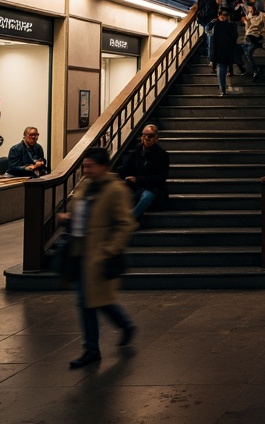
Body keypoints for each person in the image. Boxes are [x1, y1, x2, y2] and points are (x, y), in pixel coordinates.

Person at [61, 146, 136, 368]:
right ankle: (124, 326)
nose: (85, 170)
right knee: (95, 301)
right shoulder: (85, 187)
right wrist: (67, 218)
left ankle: (92, 348)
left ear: (103, 166)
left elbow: (125, 224)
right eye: (84, 166)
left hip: (99, 256)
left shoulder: (116, 190)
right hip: (81, 253)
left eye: (90, 166)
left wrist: (109, 249)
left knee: (90, 301)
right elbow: (79, 213)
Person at [117, 125, 169, 219]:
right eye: (144, 135)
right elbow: (126, 169)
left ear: (156, 138)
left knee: (147, 197)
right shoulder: (135, 153)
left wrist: (137, 179)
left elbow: (160, 178)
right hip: (137, 187)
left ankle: (130, 220)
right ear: (141, 137)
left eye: (150, 136)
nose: (147, 138)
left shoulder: (162, 155)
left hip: (154, 189)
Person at [209, 7, 239, 96]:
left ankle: (223, 90)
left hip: (221, 51)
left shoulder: (216, 25)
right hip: (224, 51)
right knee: (222, 68)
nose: (222, 17)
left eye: (224, 15)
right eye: (221, 15)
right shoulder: (229, 25)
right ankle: (223, 89)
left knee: (221, 68)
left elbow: (212, 41)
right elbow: (235, 37)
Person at [241, 2, 265, 76]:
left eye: (249, 7)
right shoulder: (249, 15)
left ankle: (255, 70)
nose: (248, 9)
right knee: (245, 53)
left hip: (257, 37)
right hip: (250, 36)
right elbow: (248, 27)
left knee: (249, 53)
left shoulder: (261, 15)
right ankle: (250, 70)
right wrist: (246, 22)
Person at [196, 0, 220, 64]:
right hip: (204, 18)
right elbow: (200, 7)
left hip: (211, 19)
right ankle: (210, 57)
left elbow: (217, 8)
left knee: (209, 37)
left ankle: (211, 58)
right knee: (207, 37)